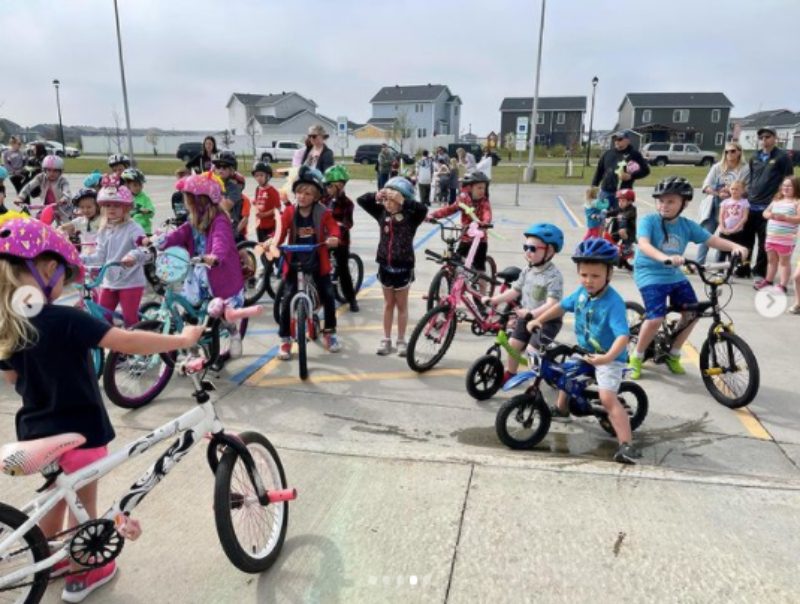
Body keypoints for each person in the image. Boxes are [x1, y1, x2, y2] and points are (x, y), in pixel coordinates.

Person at [0, 215, 203, 602]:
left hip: (35, 432)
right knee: (83, 510)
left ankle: (49, 555)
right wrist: (182, 337)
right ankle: (84, 572)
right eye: (62, 275)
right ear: (45, 270)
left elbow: (12, 380)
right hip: (80, 431)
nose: (64, 283)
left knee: (55, 496)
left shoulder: (8, 326)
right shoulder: (66, 320)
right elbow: (127, 342)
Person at [527, 238, 640, 465]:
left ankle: (627, 445)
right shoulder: (581, 292)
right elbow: (561, 306)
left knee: (607, 398)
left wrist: (607, 358)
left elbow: (623, 336)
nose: (588, 281)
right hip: (586, 350)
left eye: (595, 276)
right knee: (563, 373)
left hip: (610, 357)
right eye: (584, 275)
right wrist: (538, 319)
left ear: (609, 274)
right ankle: (561, 409)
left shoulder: (613, 302)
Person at [627, 176, 748, 380]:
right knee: (656, 317)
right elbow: (645, 245)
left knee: (693, 312)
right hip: (649, 272)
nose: (664, 205)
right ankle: (636, 357)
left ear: (684, 203)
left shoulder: (686, 225)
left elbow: (712, 240)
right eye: (661, 201)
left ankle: (673, 353)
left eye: (671, 201)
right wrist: (665, 258)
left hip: (673, 274)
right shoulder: (649, 221)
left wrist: (736, 246)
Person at [149, 171, 246, 358]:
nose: (188, 203)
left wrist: (215, 256)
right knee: (190, 312)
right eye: (188, 199)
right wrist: (155, 242)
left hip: (218, 272)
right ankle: (193, 348)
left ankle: (234, 333)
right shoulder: (192, 220)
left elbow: (221, 240)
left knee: (220, 311)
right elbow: (176, 235)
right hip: (197, 273)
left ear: (204, 200)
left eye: (191, 199)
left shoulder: (220, 220)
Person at [273, 166, 341, 359]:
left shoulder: (323, 212)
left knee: (328, 294)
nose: (302, 196)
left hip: (317, 260)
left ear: (316, 196)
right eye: (299, 192)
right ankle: (285, 339)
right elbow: (280, 232)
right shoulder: (289, 212)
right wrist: (272, 243)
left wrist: (334, 238)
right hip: (294, 262)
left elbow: (334, 228)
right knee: (286, 300)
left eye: (308, 193)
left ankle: (330, 332)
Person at [483, 223, 564, 384]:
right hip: (526, 316)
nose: (528, 251)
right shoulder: (527, 270)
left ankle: (535, 383)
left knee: (532, 350)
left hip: (547, 320)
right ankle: (511, 373)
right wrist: (494, 300)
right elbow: (515, 291)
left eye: (533, 248)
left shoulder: (554, 276)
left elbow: (552, 303)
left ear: (550, 251)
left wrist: (532, 314)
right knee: (512, 344)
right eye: (525, 247)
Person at [358, 177, 427, 355]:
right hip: (385, 266)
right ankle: (386, 339)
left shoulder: (411, 217)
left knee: (402, 306)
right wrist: (378, 195)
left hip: (403, 267)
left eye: (392, 200)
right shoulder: (382, 214)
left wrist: (403, 200)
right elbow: (362, 200)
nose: (388, 204)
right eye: (386, 200)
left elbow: (423, 209)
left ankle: (401, 339)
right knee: (389, 304)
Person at [80, 184, 150, 328]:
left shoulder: (133, 228)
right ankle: (115, 348)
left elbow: (145, 249)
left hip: (131, 280)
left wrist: (133, 256)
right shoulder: (104, 229)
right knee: (103, 318)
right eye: (107, 205)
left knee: (130, 319)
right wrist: (79, 259)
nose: (111, 209)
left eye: (116, 205)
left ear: (126, 208)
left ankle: (135, 348)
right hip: (109, 280)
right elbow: (99, 256)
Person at [743, 127, 795, 279]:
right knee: (746, 241)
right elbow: (752, 179)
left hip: (769, 207)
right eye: (762, 138)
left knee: (764, 243)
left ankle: (759, 271)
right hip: (751, 205)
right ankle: (743, 269)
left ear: (774, 138)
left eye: (767, 137)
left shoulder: (782, 157)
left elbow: (789, 180)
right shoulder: (754, 157)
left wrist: (785, 200)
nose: (764, 140)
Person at [429, 171, 493, 278]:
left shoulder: (484, 202)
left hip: (479, 240)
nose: (482, 191)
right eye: (479, 188)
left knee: (479, 272)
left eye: (484, 188)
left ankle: (482, 293)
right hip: (465, 238)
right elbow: (449, 209)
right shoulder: (463, 200)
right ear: (470, 188)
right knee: (456, 264)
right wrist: (432, 215)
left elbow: (487, 214)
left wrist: (484, 223)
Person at [697, 141, 750, 266]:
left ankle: (722, 267)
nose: (729, 154)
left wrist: (733, 193)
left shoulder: (745, 168)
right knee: (706, 236)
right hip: (715, 205)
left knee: (727, 239)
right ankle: (698, 264)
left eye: (733, 151)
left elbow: (747, 189)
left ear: (739, 152)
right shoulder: (717, 167)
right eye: (726, 152)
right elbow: (705, 186)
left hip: (734, 209)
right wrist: (717, 192)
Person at [754, 176, 800, 293]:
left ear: (796, 187)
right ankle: (768, 281)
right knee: (771, 260)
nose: (786, 188)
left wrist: (786, 217)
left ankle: (782, 285)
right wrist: (769, 215)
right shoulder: (776, 201)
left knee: (784, 262)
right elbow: (765, 212)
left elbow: (798, 218)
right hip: (771, 237)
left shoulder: (797, 202)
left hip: (786, 239)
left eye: (789, 186)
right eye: (784, 185)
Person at [322, 164, 359, 312]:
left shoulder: (347, 203)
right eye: (326, 186)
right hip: (324, 239)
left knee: (343, 270)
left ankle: (351, 299)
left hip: (340, 241)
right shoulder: (324, 200)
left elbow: (348, 222)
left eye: (330, 186)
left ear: (339, 185)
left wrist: (338, 227)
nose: (327, 189)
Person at [591, 130, 650, 210]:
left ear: (627, 140)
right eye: (615, 139)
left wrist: (631, 176)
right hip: (606, 192)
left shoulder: (634, 154)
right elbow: (599, 171)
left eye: (620, 139)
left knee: (621, 219)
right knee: (603, 216)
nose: (616, 141)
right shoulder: (608, 153)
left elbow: (646, 171)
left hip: (624, 193)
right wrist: (594, 186)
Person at [15, 155, 72, 224]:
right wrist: (21, 197)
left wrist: (64, 199)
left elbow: (67, 192)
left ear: (60, 172)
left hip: (62, 207)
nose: (52, 173)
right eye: (49, 170)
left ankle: (70, 233)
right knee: (40, 224)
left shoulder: (63, 181)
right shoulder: (40, 177)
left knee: (67, 227)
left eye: (55, 171)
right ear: (44, 170)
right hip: (47, 207)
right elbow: (29, 186)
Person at [212, 150, 246, 242]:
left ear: (231, 170)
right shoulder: (213, 183)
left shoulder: (234, 187)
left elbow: (226, 206)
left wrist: (214, 191)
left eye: (224, 167)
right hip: (213, 223)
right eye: (218, 167)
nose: (220, 170)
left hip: (229, 226)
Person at [716, 180, 749, 262]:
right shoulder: (725, 202)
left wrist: (734, 229)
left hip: (737, 232)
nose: (734, 191)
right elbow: (721, 216)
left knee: (735, 252)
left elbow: (744, 217)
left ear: (743, 191)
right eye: (732, 189)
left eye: (737, 189)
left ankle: (732, 269)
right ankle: (720, 270)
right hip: (724, 231)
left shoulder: (744, 202)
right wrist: (722, 228)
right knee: (722, 251)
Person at [252, 162, 281, 242]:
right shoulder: (258, 189)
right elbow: (259, 202)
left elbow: (278, 208)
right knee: (261, 247)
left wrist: (264, 214)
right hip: (259, 225)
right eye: (256, 175)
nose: (259, 178)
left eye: (261, 175)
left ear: (268, 176)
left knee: (270, 250)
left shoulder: (272, 191)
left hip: (270, 226)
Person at [121, 167, 155, 236]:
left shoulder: (144, 198)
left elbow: (152, 211)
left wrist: (147, 211)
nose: (138, 188)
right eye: (135, 185)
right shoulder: (123, 197)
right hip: (128, 230)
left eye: (140, 185)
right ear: (127, 185)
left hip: (144, 230)